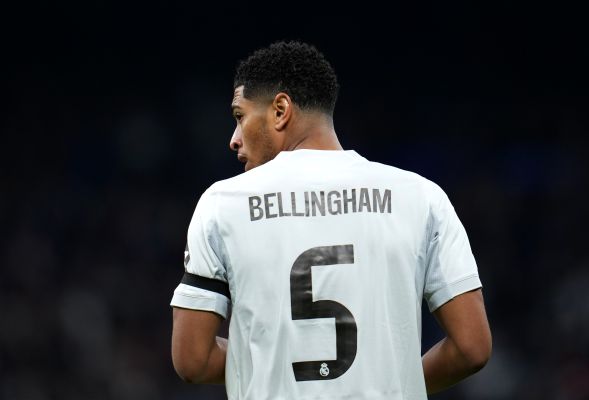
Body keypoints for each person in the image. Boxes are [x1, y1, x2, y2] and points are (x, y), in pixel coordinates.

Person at [170, 41, 491, 399]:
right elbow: (472, 348)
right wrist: (399, 383)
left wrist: (270, 361)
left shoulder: (222, 205)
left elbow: (192, 360)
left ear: (280, 111)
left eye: (239, 117)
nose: (234, 140)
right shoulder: (422, 197)